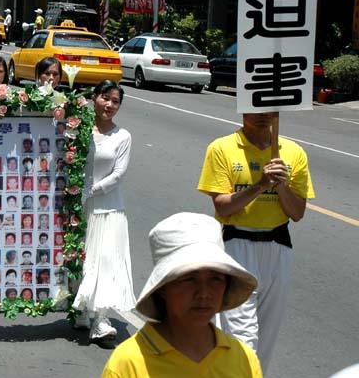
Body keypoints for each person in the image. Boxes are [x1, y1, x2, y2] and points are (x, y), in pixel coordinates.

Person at [197, 111, 315, 372]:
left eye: (270, 109)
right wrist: (261, 185)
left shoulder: (293, 153)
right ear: (243, 106)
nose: (263, 115)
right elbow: (223, 207)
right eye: (257, 107)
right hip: (237, 248)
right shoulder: (222, 148)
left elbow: (297, 213)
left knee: (265, 340)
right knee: (243, 339)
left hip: (278, 248)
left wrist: (281, 185)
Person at [101, 213, 261, 378]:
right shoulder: (128, 364)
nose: (204, 293)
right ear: (162, 288)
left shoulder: (243, 359)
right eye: (189, 279)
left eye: (215, 278)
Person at [72, 80, 136, 345]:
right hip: (78, 207)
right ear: (94, 98)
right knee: (80, 259)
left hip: (109, 208)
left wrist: (91, 190)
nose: (109, 105)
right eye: (105, 98)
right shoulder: (78, 128)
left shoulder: (123, 137)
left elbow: (118, 174)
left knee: (106, 261)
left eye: (115, 101)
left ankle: (101, 320)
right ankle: (81, 310)